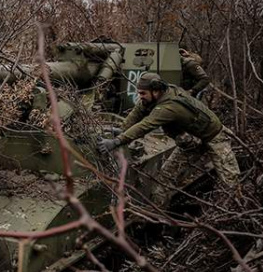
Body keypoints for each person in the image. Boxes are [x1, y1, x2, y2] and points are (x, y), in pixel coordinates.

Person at [98, 72, 239, 205]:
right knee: (163, 181)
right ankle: (160, 216)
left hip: (215, 137)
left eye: (143, 93)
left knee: (231, 183)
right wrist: (123, 129)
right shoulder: (159, 95)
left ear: (155, 91)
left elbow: (146, 125)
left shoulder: (169, 107)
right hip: (191, 142)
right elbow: (138, 111)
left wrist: (117, 141)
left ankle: (235, 211)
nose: (140, 96)